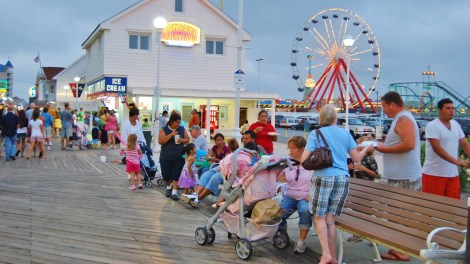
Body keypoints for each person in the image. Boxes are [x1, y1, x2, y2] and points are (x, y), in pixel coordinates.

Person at [300, 104, 371, 264]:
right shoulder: (345, 133)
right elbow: (357, 159)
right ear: (335, 118)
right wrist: (366, 149)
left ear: (321, 118)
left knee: (319, 218)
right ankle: (332, 257)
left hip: (323, 177)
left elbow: (303, 159)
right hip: (342, 178)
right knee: (330, 219)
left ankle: (326, 254)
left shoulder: (315, 134)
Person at [374, 91, 421, 262]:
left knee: (402, 214)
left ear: (391, 104)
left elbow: (409, 144)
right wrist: (387, 140)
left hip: (405, 177)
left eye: (384, 106)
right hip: (400, 175)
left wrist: (384, 149)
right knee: (397, 213)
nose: (384, 110)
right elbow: (402, 140)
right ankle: (398, 248)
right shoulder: (401, 119)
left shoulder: (403, 119)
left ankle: (403, 250)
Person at [422, 98, 470, 199]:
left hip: (452, 174)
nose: (451, 111)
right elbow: (437, 148)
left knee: (453, 207)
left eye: (453, 108)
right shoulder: (432, 126)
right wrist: (458, 162)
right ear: (439, 110)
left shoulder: (456, 125)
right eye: (448, 108)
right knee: (433, 207)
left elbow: (464, 143)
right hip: (434, 173)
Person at [277, 136, 312, 254]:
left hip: (305, 196)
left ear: (302, 149)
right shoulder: (288, 162)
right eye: (290, 148)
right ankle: (282, 234)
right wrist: (282, 178)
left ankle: (301, 241)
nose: (290, 151)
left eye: (294, 148)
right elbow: (280, 176)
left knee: (305, 210)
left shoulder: (311, 163)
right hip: (290, 195)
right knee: (278, 214)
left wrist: (311, 195)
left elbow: (318, 180)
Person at [158, 112, 190, 200]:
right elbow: (160, 141)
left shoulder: (182, 129)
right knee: (165, 174)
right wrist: (171, 135)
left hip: (178, 155)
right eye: (177, 122)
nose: (178, 124)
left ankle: (174, 192)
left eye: (179, 122)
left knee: (176, 173)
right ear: (171, 122)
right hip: (166, 155)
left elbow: (188, 139)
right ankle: (168, 187)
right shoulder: (164, 130)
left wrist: (182, 140)